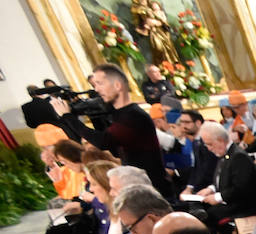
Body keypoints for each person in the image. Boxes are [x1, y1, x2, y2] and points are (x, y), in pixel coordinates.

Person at [51, 64, 169, 193]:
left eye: (100, 84)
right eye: (94, 85)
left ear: (117, 85)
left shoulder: (133, 115)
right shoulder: (120, 114)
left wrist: (67, 116)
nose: (96, 90)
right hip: (140, 184)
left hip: (153, 186)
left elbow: (103, 142)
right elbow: (113, 147)